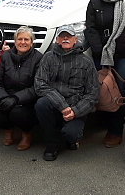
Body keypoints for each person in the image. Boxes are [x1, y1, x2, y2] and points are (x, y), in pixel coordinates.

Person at [84, 0, 125, 148]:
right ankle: (104, 121)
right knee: (101, 88)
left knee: (118, 90)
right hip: (100, 52)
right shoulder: (94, 2)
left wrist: (114, 50)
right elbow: (90, 28)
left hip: (122, 53)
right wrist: (99, 49)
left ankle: (116, 130)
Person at [34, 25, 99, 161]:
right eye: (62, 36)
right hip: (55, 104)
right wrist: (62, 105)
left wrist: (75, 111)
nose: (65, 38)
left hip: (76, 108)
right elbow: (40, 84)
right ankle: (52, 144)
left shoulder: (86, 62)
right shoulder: (48, 58)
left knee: (71, 134)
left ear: (75, 39)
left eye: (68, 36)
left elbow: (93, 93)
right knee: (41, 104)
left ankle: (68, 138)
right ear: (57, 40)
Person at [0, 26, 43, 150]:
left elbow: (38, 86)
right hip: (6, 96)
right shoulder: (5, 56)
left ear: (31, 42)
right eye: (19, 39)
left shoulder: (39, 58)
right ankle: (8, 130)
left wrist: (15, 99)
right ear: (15, 41)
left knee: (18, 113)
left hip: (26, 101)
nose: (22, 42)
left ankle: (26, 134)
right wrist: (3, 98)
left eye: (26, 39)